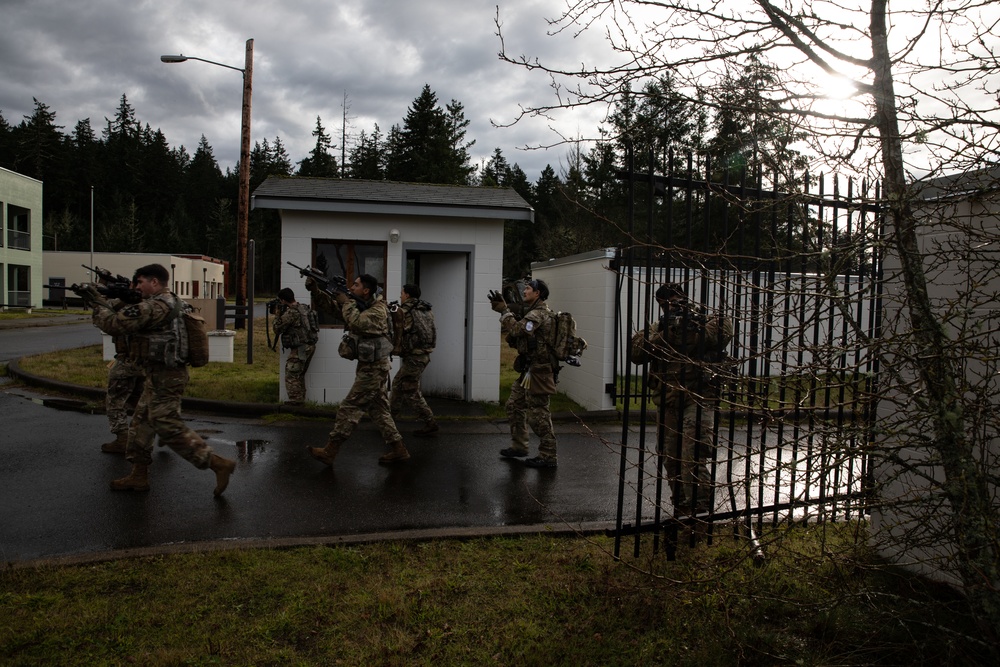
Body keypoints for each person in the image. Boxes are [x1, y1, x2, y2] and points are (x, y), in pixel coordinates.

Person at [89, 263, 236, 496]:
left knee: (167, 426)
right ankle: (138, 475)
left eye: (140, 282)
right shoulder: (171, 301)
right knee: (140, 425)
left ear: (154, 282)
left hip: (167, 377)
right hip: (158, 375)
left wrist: (96, 301)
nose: (136, 286)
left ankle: (217, 463)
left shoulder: (155, 306)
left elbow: (112, 324)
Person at [629, 283, 733, 515]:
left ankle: (701, 509)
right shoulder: (661, 326)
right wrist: (668, 332)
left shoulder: (705, 320)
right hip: (668, 401)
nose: (671, 306)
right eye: (665, 303)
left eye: (676, 300)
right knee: (670, 456)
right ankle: (682, 506)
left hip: (698, 397)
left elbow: (719, 333)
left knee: (692, 455)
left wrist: (682, 332)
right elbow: (636, 352)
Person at [305, 273, 409, 465]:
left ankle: (330, 451)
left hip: (374, 369)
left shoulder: (378, 310)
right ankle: (399, 449)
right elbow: (336, 309)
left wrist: (347, 302)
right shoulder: (361, 304)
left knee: (350, 407)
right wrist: (316, 291)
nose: (352, 288)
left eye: (356, 285)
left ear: (366, 290)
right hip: (369, 367)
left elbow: (357, 322)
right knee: (379, 411)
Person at [489, 278, 559, 468]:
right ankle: (519, 446)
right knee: (514, 405)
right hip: (529, 371)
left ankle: (548, 455)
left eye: (528, 288)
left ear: (538, 294)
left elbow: (519, 329)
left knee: (539, 414)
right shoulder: (532, 312)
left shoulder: (539, 314)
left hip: (540, 372)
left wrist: (504, 311)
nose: (525, 291)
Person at [99, 273, 145, 454]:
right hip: (144, 361)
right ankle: (153, 433)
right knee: (138, 400)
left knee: (115, 401)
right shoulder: (149, 303)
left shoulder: (126, 304)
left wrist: (99, 297)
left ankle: (122, 439)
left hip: (127, 361)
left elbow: (105, 319)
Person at [389, 283, 438, 436]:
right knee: (397, 384)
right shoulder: (425, 309)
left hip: (414, 357)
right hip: (422, 355)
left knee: (410, 390)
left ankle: (430, 421)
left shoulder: (406, 311)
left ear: (408, 295)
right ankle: (389, 420)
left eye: (402, 293)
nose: (400, 296)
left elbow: (402, 330)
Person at [272, 287, 318, 406]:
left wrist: (277, 314)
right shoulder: (304, 308)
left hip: (300, 348)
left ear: (282, 300)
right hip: (310, 346)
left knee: (291, 374)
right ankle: (300, 399)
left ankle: (295, 402)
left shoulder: (291, 313)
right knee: (299, 374)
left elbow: (277, 328)